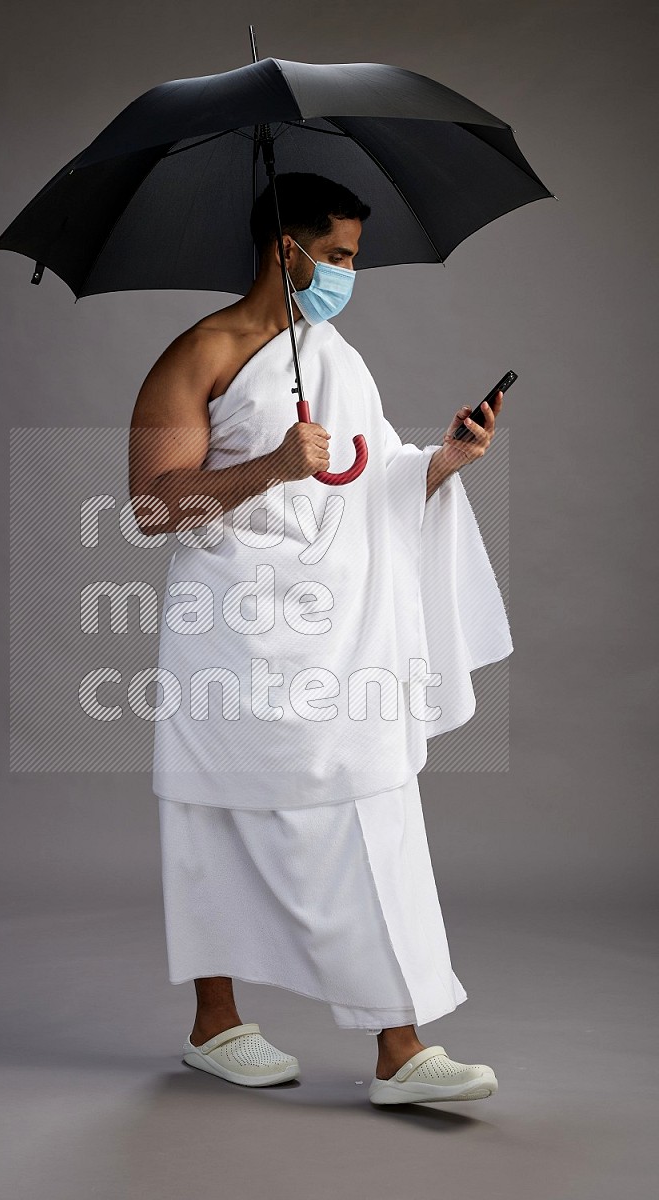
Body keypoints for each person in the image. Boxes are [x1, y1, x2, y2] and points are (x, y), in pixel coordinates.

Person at [127, 173, 510, 1106]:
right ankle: (215, 1025)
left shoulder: (333, 354)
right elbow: (149, 504)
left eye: (352, 259)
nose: (347, 275)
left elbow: (369, 485)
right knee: (215, 817)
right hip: (232, 629)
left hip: (341, 637)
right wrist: (267, 466)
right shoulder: (198, 355)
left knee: (369, 815)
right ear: (284, 250)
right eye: (338, 256)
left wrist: (444, 462)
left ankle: (401, 1046)